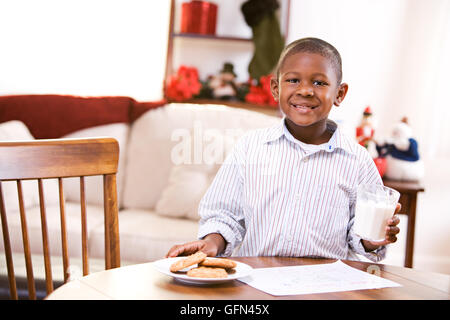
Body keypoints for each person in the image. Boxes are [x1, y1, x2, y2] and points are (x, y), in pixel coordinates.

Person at [166, 37, 401, 262]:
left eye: (319, 82)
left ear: (339, 94)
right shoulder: (251, 147)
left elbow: (361, 232)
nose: (305, 90)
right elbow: (224, 215)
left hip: (325, 286)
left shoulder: (357, 160)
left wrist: (375, 238)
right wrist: (212, 243)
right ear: (276, 88)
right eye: (293, 80)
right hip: (257, 280)